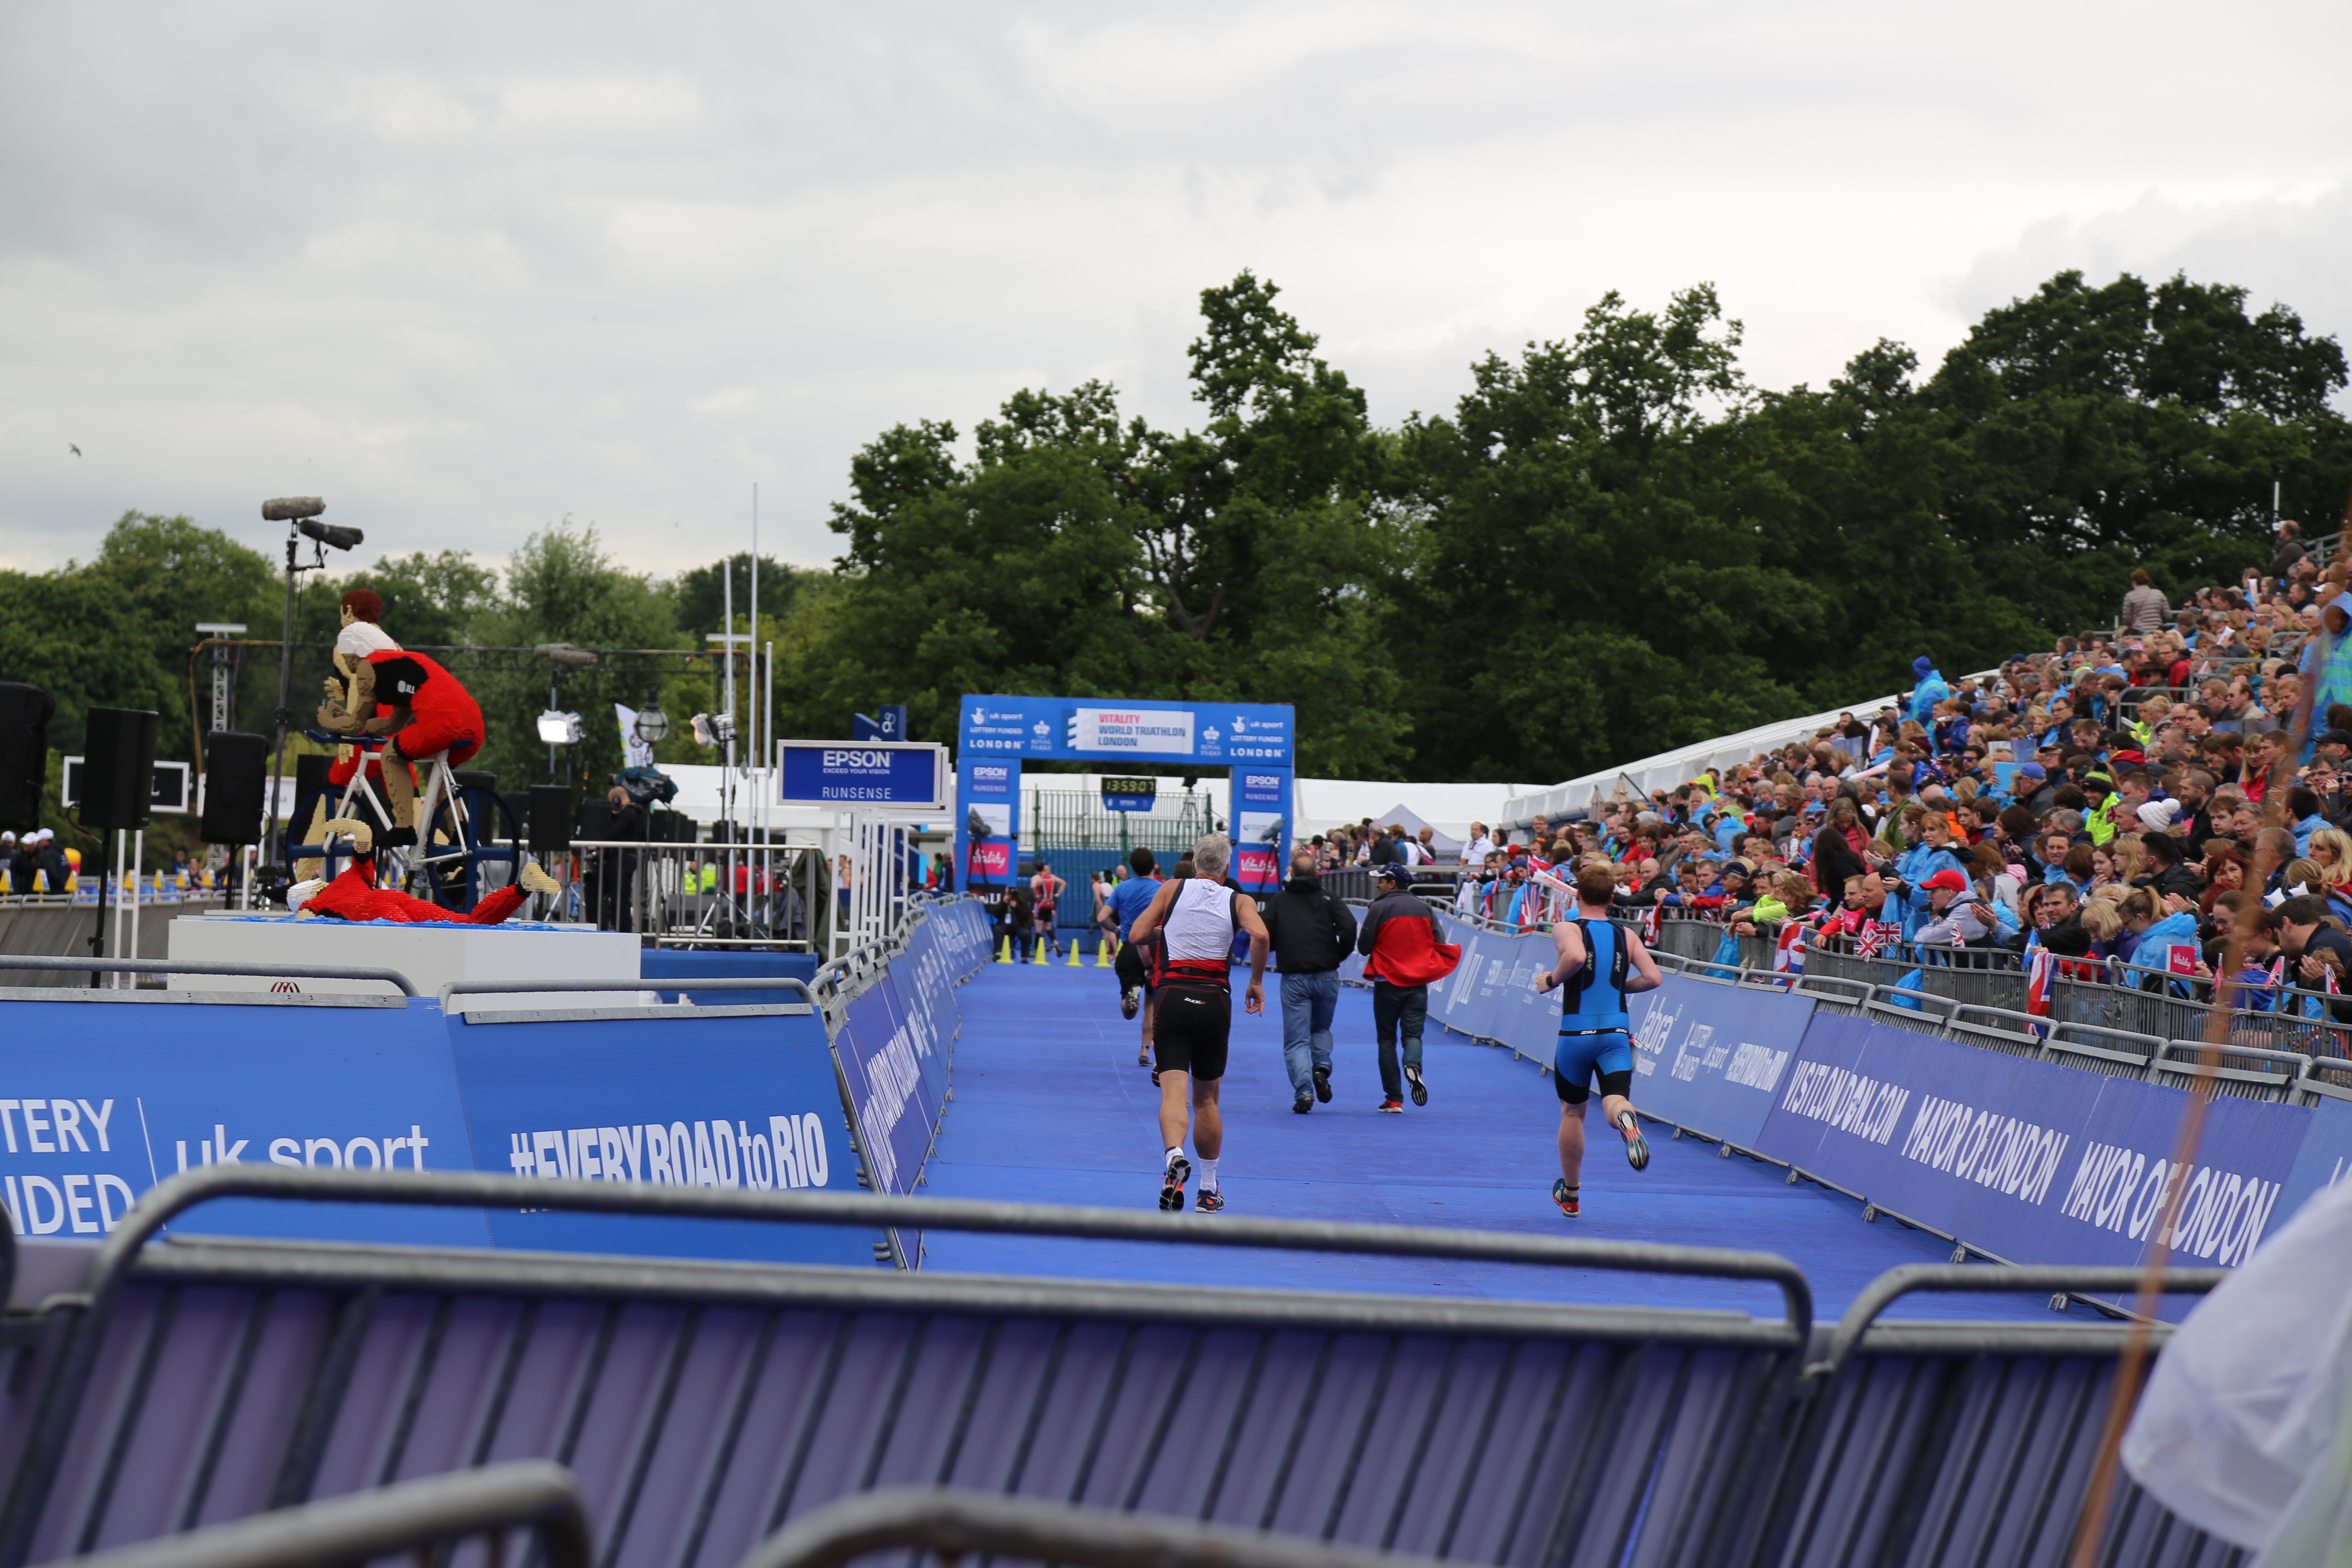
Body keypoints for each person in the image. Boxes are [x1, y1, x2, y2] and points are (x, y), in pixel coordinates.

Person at [1124, 834, 1268, 1213]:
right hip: (1214, 999)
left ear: (1194, 866)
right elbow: (1261, 935)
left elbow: (1137, 935)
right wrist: (1256, 982)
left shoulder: (1171, 889)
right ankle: (1207, 1189)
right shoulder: (1239, 900)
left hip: (1172, 995)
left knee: (1173, 1094)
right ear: (1227, 869)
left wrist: (1166, 931)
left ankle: (1174, 1155)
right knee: (1206, 1100)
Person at [1534, 862, 1664, 1218]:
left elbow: (1576, 956)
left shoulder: (1567, 927)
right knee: (1616, 1099)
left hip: (1576, 1034)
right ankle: (1625, 1120)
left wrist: (1552, 980)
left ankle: (1571, 1193)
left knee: (1572, 1112)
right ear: (1612, 898)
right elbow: (1653, 978)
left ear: (1577, 894)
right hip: (1616, 1034)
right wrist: (1618, 988)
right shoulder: (1627, 935)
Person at [1354, 862, 1462, 1111]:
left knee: (1386, 1040)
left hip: (1388, 983)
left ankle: (1394, 1099)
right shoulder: (1425, 907)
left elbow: (1364, 947)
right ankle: (1413, 1065)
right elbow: (1439, 943)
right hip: (1418, 984)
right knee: (1413, 1036)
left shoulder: (1378, 907)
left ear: (1392, 883)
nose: (1377, 885)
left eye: (1381, 881)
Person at [1264, 845, 1359, 1113]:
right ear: (1317, 873)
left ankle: (1304, 1092)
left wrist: (1280, 947)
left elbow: (1262, 932)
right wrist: (1338, 955)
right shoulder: (1329, 898)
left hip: (1295, 976)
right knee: (1321, 1028)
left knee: (1296, 1041)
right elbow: (1350, 926)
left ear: (1292, 873)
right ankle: (1322, 1068)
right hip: (1327, 975)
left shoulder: (1280, 901)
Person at [1099, 848, 1165, 1067]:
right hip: (1155, 948)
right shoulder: (1162, 888)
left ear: (1132, 868)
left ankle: (1132, 994)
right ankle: (1145, 1050)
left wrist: (1117, 930)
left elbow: (1102, 918)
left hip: (1129, 947)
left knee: (1129, 1013)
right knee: (1151, 1005)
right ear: (1154, 866)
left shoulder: (1122, 887)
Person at [1029, 861, 1066, 960]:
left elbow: (1032, 887)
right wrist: (1057, 895)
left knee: (1038, 930)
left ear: (1036, 869)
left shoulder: (1036, 878)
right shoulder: (1052, 877)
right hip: (1050, 904)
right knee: (1048, 928)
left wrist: (1035, 896)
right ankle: (1056, 943)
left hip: (1040, 904)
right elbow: (1064, 883)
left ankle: (1036, 951)